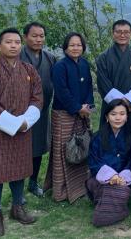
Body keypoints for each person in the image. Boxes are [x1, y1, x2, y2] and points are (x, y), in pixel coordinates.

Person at [0, 28, 43, 236]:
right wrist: (13, 123)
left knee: (19, 169)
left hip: (23, 127)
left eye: (17, 42)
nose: (14, 45)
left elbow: (37, 97)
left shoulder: (29, 70)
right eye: (8, 42)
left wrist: (26, 121)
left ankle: (17, 207)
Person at [44, 32, 94, 203]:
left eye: (79, 45)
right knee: (63, 149)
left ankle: (80, 185)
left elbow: (88, 87)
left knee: (81, 146)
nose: (75, 48)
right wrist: (77, 108)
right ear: (65, 47)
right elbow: (62, 91)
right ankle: (60, 190)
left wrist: (87, 106)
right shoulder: (60, 66)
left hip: (82, 113)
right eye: (72, 45)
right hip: (63, 114)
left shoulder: (85, 64)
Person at [20, 21, 57, 198]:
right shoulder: (18, 56)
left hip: (42, 111)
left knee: (38, 146)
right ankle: (17, 183)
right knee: (20, 147)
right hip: (20, 112)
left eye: (41, 36)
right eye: (34, 36)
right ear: (25, 37)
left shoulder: (50, 58)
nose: (38, 39)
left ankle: (33, 182)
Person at [86, 99, 131, 227]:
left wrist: (121, 177)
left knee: (122, 189)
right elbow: (93, 162)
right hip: (101, 178)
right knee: (102, 186)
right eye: (113, 114)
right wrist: (110, 176)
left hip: (122, 179)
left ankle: (107, 206)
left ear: (126, 117)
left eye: (122, 114)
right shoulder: (98, 137)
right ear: (107, 117)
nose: (118, 118)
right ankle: (118, 208)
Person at [96, 19, 131, 135]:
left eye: (126, 32)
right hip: (112, 107)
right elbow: (103, 84)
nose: (122, 35)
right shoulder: (103, 57)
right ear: (112, 33)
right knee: (110, 139)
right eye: (118, 32)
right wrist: (121, 104)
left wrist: (129, 101)